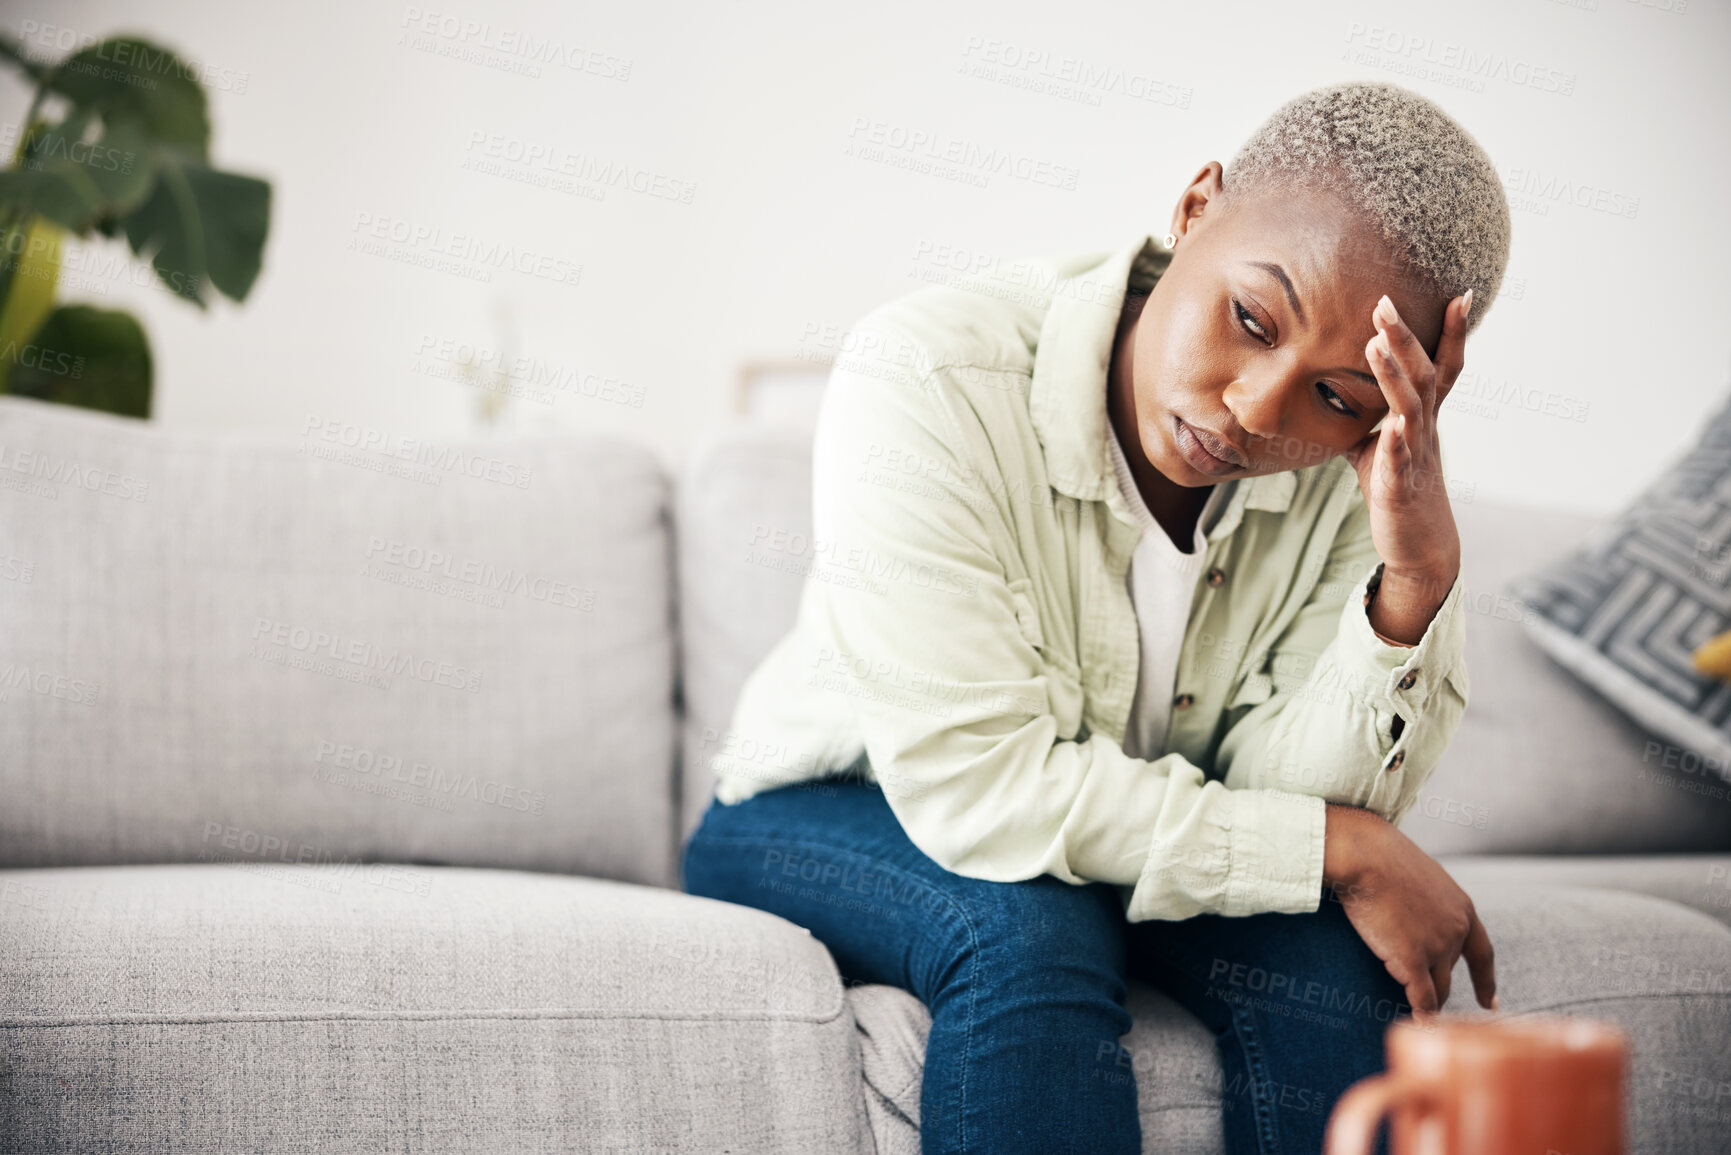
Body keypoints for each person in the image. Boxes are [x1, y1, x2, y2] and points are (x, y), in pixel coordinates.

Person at [682, 79, 1508, 1155]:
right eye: (1251, 319)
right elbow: (980, 788)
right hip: (839, 800)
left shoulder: (1359, 472)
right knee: (1025, 928)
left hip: (1124, 837)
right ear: (1196, 206)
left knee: (1330, 971)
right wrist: (1332, 849)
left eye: (1340, 397)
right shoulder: (928, 375)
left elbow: (1286, 796)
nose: (1257, 410)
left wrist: (1410, 586)